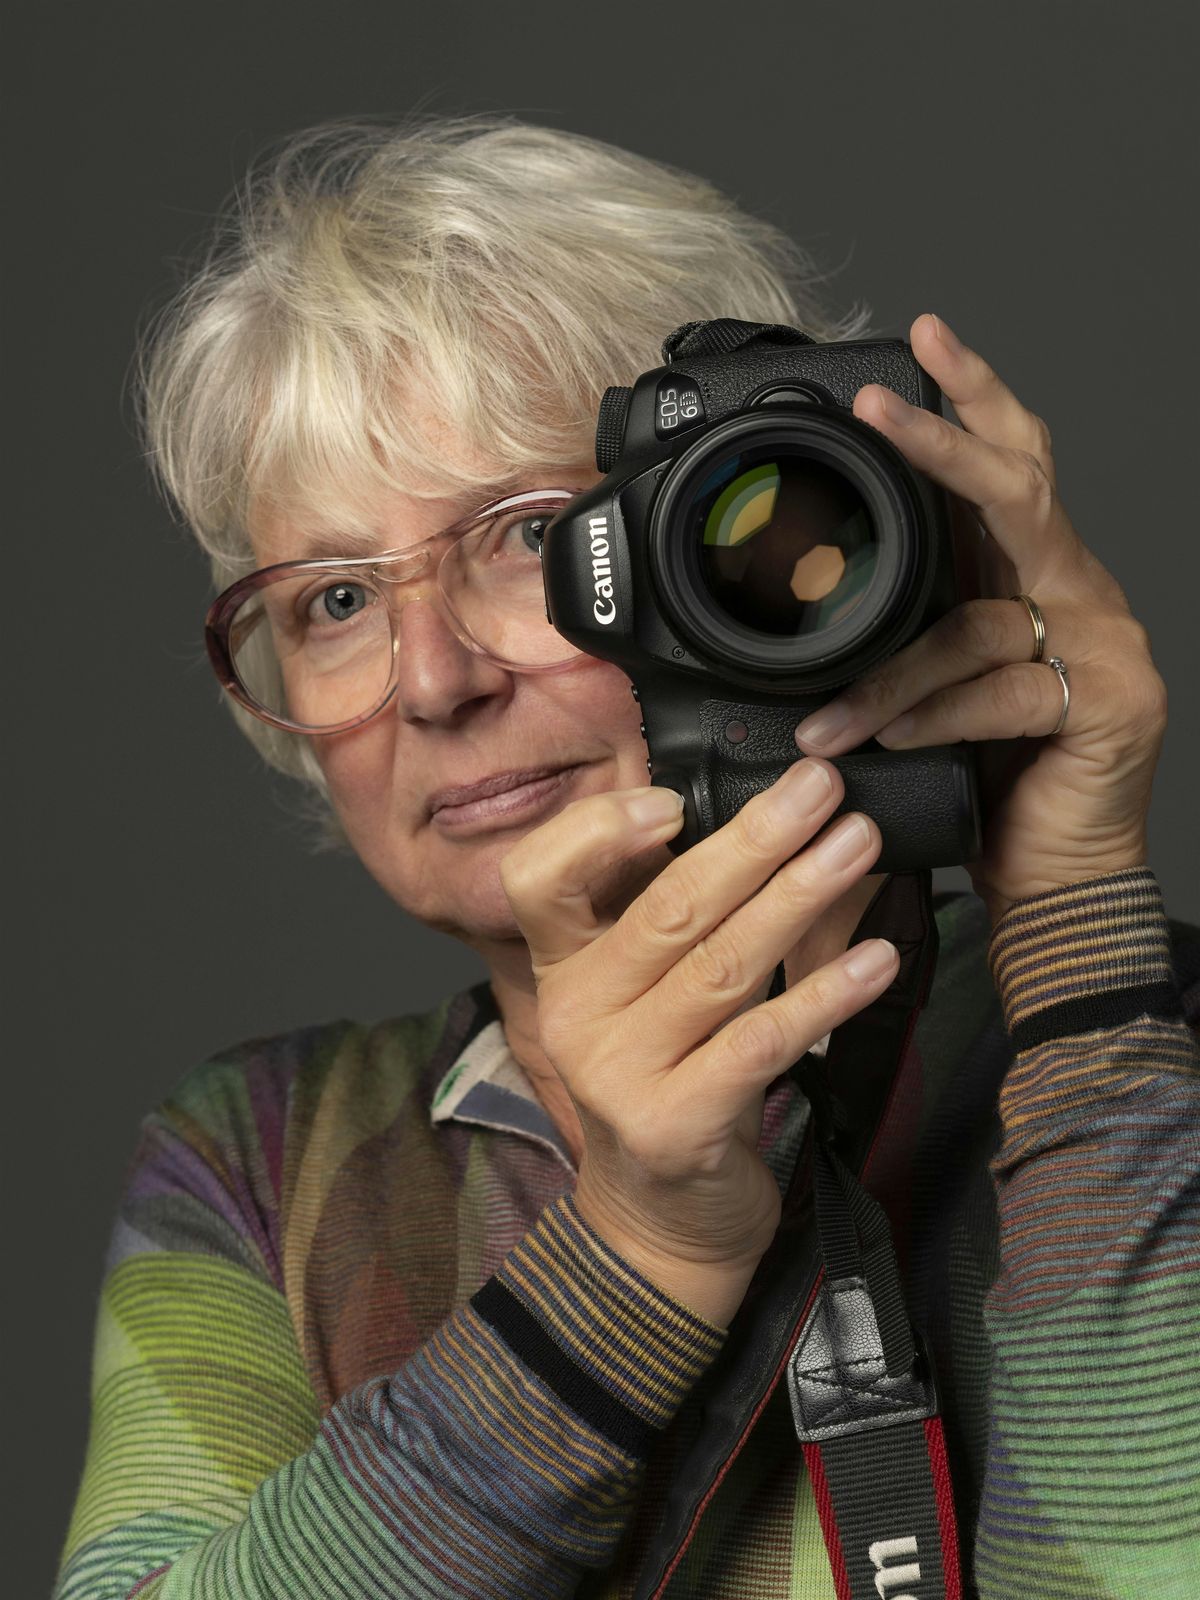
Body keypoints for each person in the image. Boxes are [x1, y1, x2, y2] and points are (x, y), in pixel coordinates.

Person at [54, 113, 1199, 1600]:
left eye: (529, 536)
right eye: (334, 600)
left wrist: (1082, 952)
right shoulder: (264, 1159)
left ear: (780, 520)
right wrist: (632, 1258)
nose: (431, 681)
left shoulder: (1144, 1042)